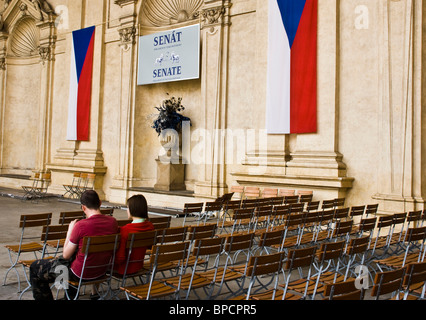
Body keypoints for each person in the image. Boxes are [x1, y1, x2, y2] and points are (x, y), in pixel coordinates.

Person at [29, 190, 118, 300]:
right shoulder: (113, 222)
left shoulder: (80, 226)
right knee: (74, 260)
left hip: (79, 274)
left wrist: (69, 231)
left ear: (83, 207)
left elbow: (65, 255)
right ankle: (70, 296)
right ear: (100, 203)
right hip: (101, 271)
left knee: (35, 267)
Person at [114, 194, 155, 275]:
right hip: (138, 265)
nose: (127, 210)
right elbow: (149, 246)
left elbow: (120, 258)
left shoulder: (126, 230)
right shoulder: (150, 226)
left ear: (133, 209)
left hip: (125, 268)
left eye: (127, 208)